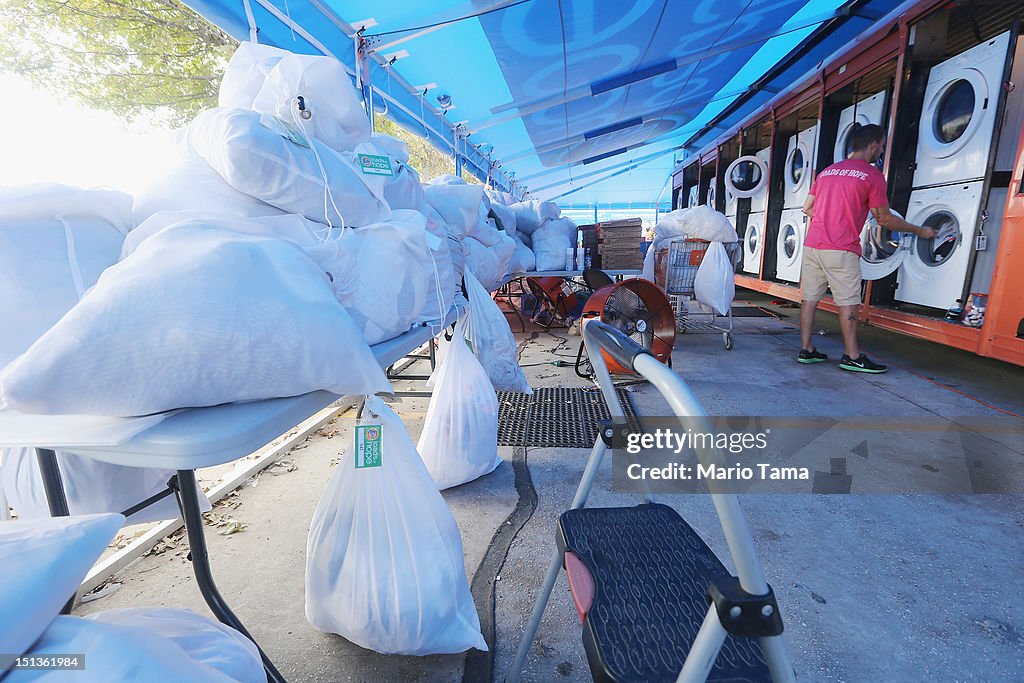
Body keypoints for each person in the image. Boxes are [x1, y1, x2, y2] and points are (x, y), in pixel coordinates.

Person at [798, 123, 936, 373]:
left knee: (809, 299)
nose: (881, 149)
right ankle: (852, 356)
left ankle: (806, 350)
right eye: (882, 145)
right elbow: (884, 219)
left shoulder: (827, 172)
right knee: (848, 303)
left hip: (812, 245)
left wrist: (830, 215)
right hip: (841, 249)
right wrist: (919, 230)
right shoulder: (872, 176)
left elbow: (807, 209)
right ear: (873, 145)